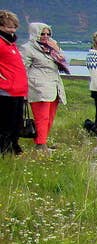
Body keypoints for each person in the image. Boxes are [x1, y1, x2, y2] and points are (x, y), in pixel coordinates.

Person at [22, 22, 68, 150]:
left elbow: (64, 63)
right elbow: (22, 69)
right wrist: (24, 89)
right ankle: (41, 145)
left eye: (48, 34)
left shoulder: (52, 46)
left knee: (50, 117)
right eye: (42, 34)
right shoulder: (28, 48)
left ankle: (42, 141)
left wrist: (57, 49)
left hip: (54, 86)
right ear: (35, 33)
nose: (46, 36)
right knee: (42, 117)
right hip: (38, 87)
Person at [0, 10, 27, 156]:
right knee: (6, 123)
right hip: (6, 91)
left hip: (18, 90)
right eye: (8, 27)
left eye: (14, 27)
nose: (12, 30)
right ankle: (4, 149)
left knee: (17, 123)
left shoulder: (11, 44)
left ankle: (14, 146)